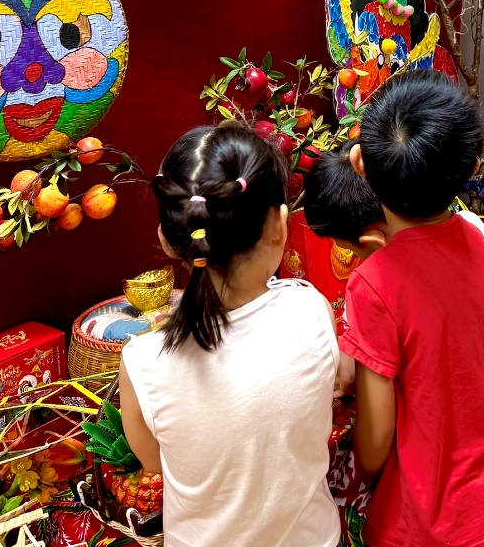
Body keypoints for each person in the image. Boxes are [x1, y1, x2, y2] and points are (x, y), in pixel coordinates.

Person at [340, 71, 484, 547]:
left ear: (359, 161)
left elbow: (376, 435)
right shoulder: (481, 239)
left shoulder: (373, 282)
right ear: (473, 164)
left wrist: (357, 476)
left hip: (443, 526)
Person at [116, 122, 340, 547]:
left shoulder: (142, 364)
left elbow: (156, 462)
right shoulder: (312, 310)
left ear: (169, 239)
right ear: (280, 225)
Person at [303, 144, 484, 419]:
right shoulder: (474, 228)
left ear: (374, 240)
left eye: (351, 249)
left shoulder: (375, 283)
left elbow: (375, 419)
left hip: (438, 434)